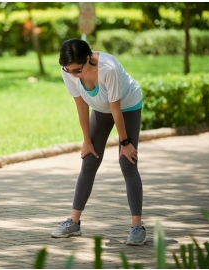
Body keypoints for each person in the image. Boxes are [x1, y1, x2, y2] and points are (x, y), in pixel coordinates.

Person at [50, 38, 146, 246]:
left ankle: (137, 227)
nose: (73, 75)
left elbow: (116, 109)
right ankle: (74, 222)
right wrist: (86, 141)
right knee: (90, 159)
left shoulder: (107, 68)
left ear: (88, 59)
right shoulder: (68, 70)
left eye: (77, 70)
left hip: (127, 106)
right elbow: (81, 106)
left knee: (127, 162)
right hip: (100, 108)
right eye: (68, 71)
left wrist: (125, 142)